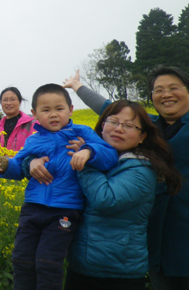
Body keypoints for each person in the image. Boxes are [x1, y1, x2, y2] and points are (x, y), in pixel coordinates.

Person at [61, 68, 189, 290]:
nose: (166, 94)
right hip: (156, 241)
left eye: (174, 88)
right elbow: (107, 108)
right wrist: (77, 86)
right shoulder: (148, 126)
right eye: (158, 90)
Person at [0, 83, 118, 290]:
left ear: (70, 109)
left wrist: (88, 151)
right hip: (33, 207)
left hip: (65, 209)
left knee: (48, 262)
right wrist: (4, 166)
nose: (53, 115)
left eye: (59, 109)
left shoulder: (82, 133)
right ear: (34, 114)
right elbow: (18, 166)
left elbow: (110, 155)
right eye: (46, 110)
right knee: (21, 260)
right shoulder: (34, 140)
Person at [58, 100, 182, 290]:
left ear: (142, 137)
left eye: (129, 125)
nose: (119, 129)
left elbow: (106, 200)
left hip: (117, 271)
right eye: (113, 121)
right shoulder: (96, 157)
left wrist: (86, 163)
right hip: (81, 265)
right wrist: (32, 163)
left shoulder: (142, 169)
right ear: (102, 126)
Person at [0, 87, 37, 157]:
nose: (8, 103)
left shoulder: (32, 123)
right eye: (5, 100)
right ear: (1, 103)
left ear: (20, 102)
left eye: (12, 99)